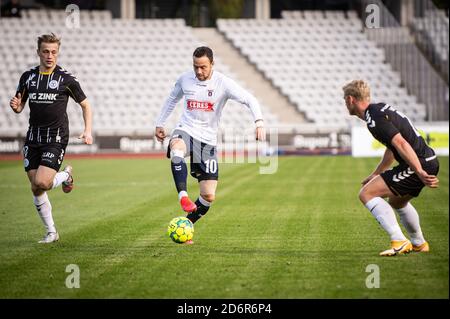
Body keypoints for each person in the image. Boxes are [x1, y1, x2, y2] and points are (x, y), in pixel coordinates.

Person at [155, 46, 265, 243]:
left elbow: (250, 99)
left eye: (203, 67)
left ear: (212, 64)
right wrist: (160, 123)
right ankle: (183, 195)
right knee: (177, 147)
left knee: (208, 196)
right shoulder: (185, 79)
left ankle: (185, 225)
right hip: (186, 129)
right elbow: (172, 99)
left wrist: (259, 122)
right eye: (196, 67)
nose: (199, 71)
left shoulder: (223, 83)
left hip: (207, 141)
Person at [10, 33, 93, 243]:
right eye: (46, 51)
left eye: (54, 52)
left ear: (58, 53)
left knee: (43, 182)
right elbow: (20, 106)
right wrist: (16, 107)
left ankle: (65, 176)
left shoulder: (66, 79)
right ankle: (51, 232)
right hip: (33, 137)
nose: (50, 56)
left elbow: (85, 104)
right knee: (35, 186)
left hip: (55, 137)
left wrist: (87, 130)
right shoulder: (28, 77)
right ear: (38, 52)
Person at [342, 80, 439, 256]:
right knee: (397, 201)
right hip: (426, 160)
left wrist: (418, 170)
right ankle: (419, 244)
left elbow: (400, 143)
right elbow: (393, 148)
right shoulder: (379, 110)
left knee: (366, 194)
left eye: (344, 100)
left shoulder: (374, 117)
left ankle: (399, 240)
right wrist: (376, 174)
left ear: (350, 99)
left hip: (420, 163)